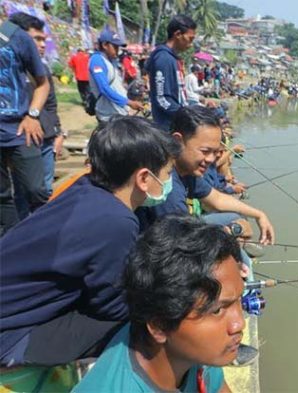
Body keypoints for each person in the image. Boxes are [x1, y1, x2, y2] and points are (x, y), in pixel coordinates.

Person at [0, 117, 180, 367]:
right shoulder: (116, 220)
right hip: (11, 335)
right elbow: (113, 308)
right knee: (150, 318)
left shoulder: (86, 188)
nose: (169, 181)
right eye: (168, 174)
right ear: (143, 178)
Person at [73, 215, 244, 392]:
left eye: (239, 299)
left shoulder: (197, 352)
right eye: (217, 311)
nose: (239, 323)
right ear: (159, 326)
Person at [137, 106, 274, 245]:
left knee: (235, 216)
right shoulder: (166, 185)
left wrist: (259, 214)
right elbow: (182, 244)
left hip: (179, 232)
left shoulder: (187, 170)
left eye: (215, 152)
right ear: (178, 141)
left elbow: (217, 199)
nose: (211, 159)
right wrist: (233, 231)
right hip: (165, 248)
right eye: (205, 151)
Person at [0, 12, 50, 235]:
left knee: (36, 190)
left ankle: (47, 237)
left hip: (19, 129)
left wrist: (32, 115)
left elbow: (42, 83)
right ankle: (10, 244)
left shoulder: (17, 37)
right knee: (1, 196)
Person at [11, 13, 65, 217]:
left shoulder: (42, 70)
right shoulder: (10, 71)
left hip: (46, 141)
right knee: (26, 194)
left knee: (45, 192)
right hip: (22, 141)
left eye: (44, 40)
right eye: (37, 39)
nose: (42, 45)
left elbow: (51, 105)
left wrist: (59, 133)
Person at [146, 15, 197, 131]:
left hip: (176, 124)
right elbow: (162, 99)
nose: (191, 44)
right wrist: (187, 115)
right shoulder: (163, 58)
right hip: (167, 127)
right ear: (178, 34)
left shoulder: (173, 58)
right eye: (190, 39)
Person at [89, 29, 143, 127]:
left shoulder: (111, 61)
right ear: (105, 45)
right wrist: (129, 102)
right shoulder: (97, 60)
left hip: (118, 113)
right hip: (108, 116)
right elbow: (104, 88)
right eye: (115, 47)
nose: (118, 51)